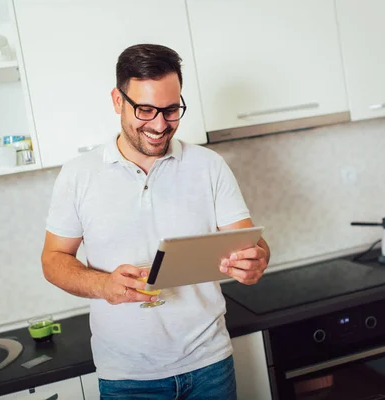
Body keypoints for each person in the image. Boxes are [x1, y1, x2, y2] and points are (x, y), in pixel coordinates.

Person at [41, 43, 270, 399]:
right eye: (146, 110)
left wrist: (255, 262)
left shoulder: (209, 166)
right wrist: (103, 286)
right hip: (126, 376)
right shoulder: (78, 176)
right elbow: (53, 260)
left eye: (171, 110)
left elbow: (251, 244)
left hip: (209, 364)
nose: (160, 125)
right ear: (118, 101)